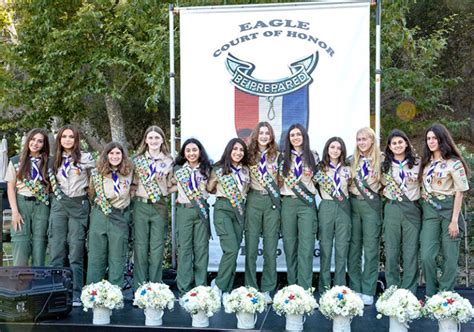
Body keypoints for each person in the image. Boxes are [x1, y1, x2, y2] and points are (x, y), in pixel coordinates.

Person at [419, 123, 470, 296]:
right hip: (429, 212)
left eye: (435, 138)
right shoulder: (425, 163)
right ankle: (432, 293)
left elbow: (460, 192)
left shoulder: (453, 164)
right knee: (426, 256)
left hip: (449, 211)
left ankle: (445, 295)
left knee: (450, 257)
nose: (431, 141)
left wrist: (455, 220)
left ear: (442, 139)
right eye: (428, 138)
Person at [48, 125, 95, 306]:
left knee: (76, 251)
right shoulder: (53, 160)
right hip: (59, 206)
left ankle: (76, 293)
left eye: (71, 137)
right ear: (59, 139)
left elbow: (100, 173)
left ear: (76, 140)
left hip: (78, 204)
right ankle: (56, 291)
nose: (68, 140)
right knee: (57, 250)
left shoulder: (86, 158)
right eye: (64, 136)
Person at [207, 138, 250, 298]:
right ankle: (219, 285)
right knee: (231, 248)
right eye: (235, 149)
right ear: (229, 150)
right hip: (223, 209)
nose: (238, 153)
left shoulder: (246, 170)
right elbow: (210, 189)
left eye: (241, 150)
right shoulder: (218, 169)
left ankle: (225, 287)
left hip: (239, 211)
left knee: (233, 251)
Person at [86, 142, 133, 287]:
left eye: (118, 153)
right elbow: (91, 194)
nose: (114, 156)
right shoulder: (97, 173)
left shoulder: (129, 171)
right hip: (100, 215)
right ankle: (93, 293)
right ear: (106, 155)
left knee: (117, 258)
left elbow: (134, 188)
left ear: (122, 155)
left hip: (120, 216)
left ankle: (115, 294)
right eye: (111, 153)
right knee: (96, 257)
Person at [132, 125, 173, 289]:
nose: (154, 141)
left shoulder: (169, 160)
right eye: (150, 137)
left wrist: (166, 189)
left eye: (157, 137)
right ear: (146, 140)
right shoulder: (137, 160)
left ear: (162, 139)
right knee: (140, 247)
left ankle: (155, 288)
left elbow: (173, 184)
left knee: (157, 247)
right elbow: (132, 184)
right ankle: (139, 288)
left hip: (159, 206)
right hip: (141, 205)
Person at [381, 129, 421, 295]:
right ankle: (393, 289)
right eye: (394, 143)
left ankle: (409, 291)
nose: (397, 145)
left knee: (410, 252)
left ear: (406, 143)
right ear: (389, 146)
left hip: (412, 208)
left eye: (400, 142)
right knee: (391, 251)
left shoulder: (418, 162)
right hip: (392, 208)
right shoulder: (384, 165)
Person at [279, 123, 319, 290]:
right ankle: (292, 288)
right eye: (292, 135)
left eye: (298, 134)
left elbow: (319, 181)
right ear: (288, 139)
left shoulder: (313, 156)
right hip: (288, 203)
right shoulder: (282, 157)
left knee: (306, 247)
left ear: (304, 136)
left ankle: (305, 288)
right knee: (290, 246)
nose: (295, 137)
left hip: (306, 204)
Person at [245, 122, 281, 303]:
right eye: (261, 133)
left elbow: (282, 180)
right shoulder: (248, 155)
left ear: (271, 136)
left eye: (267, 133)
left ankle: (267, 288)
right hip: (253, 200)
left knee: (270, 247)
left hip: (271, 201)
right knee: (251, 246)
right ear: (256, 135)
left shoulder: (278, 156)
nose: (264, 136)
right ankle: (251, 287)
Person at [5, 128, 50, 266]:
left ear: (44, 144)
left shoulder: (49, 162)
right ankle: (19, 284)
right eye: (33, 139)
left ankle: (38, 284)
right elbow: (11, 187)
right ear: (28, 140)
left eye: (40, 141)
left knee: (40, 242)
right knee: (20, 242)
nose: (35, 143)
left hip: (41, 204)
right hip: (21, 203)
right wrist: (14, 212)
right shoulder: (16, 161)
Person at [173, 138, 212, 295]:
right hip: (184, 211)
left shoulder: (208, 169)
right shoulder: (177, 170)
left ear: (200, 151)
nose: (191, 153)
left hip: (202, 210)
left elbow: (213, 187)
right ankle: (184, 289)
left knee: (202, 249)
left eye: (194, 150)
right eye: (188, 151)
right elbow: (169, 185)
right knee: (184, 250)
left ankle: (201, 287)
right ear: (184, 153)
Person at [347, 127, 382, 305]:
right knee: (353, 249)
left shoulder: (381, 160)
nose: (361, 142)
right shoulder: (351, 161)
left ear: (372, 140)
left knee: (370, 249)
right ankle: (355, 287)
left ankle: (368, 289)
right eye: (358, 139)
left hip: (371, 206)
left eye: (364, 139)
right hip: (353, 205)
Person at [314, 137, 351, 292]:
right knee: (325, 249)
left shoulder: (348, 169)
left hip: (343, 208)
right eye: (332, 147)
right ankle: (324, 288)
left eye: (338, 148)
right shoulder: (319, 169)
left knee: (342, 249)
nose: (335, 150)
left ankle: (339, 287)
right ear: (327, 149)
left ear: (342, 151)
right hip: (327, 206)